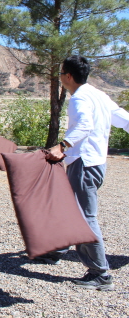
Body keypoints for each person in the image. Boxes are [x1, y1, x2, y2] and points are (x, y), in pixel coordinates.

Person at [45, 55, 129, 291]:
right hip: (96, 163)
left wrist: (62, 146)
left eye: (61, 73)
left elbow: (84, 125)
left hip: (83, 164)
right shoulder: (99, 95)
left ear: (68, 76)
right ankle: (57, 250)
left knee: (84, 217)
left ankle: (99, 273)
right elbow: (124, 119)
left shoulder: (79, 98)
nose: (60, 77)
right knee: (69, 208)